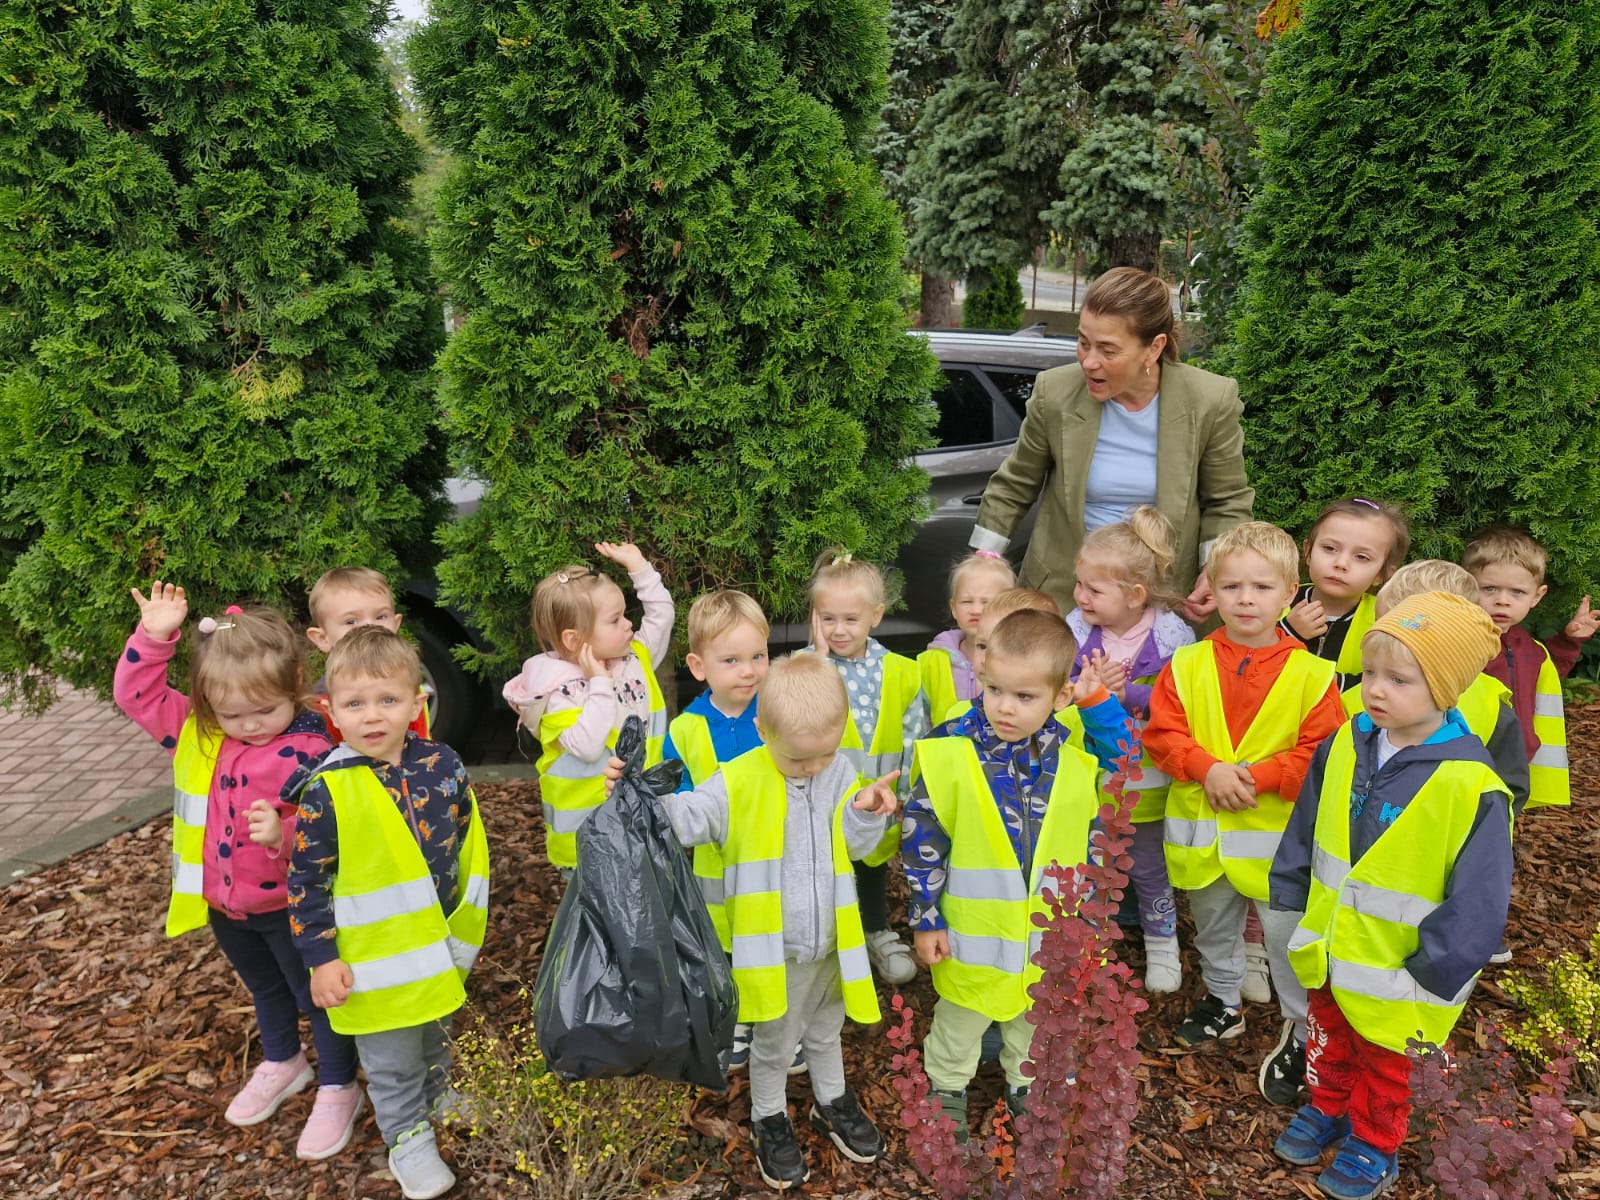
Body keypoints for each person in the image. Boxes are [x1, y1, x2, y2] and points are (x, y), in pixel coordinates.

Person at [608, 653, 901, 1191]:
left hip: (833, 942)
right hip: (775, 950)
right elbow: (690, 817)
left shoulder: (839, 771)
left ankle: (831, 1100)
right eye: (800, 759)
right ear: (764, 731)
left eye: (826, 753)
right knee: (774, 1042)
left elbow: (856, 847)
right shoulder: (738, 780)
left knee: (826, 1030)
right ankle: (769, 1116)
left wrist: (863, 810)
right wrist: (638, 799)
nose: (814, 767)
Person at [1269, 593, 1511, 1200]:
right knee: (1329, 1033)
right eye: (1371, 672)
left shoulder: (1471, 784)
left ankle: (1375, 1143)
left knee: (1389, 1060)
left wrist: (1438, 967)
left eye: (1399, 680)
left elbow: (1480, 895)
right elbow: (1308, 821)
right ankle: (1329, 1107)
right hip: (1331, 943)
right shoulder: (1347, 742)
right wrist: (1291, 884)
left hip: (1405, 966)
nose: (1375, 690)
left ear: (1446, 688)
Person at [112, 583, 361, 1161]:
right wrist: (154, 637)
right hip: (226, 905)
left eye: (265, 710)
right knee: (264, 987)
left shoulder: (314, 748)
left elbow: (341, 828)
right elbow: (135, 695)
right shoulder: (201, 736)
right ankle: (284, 1060)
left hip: (294, 908)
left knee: (318, 998)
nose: (249, 725)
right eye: (231, 714)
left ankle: (338, 1085)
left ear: (293, 683)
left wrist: (286, 835)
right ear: (207, 705)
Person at [1145, 522, 1346, 1108]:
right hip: (1204, 837)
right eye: (1232, 586)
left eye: (1262, 587)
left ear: (1290, 594)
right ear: (1212, 590)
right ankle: (1223, 1001)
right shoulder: (1186, 663)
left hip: (1279, 845)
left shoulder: (1314, 675)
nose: (1246, 599)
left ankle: (1301, 1029)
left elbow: (1321, 752)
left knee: (1286, 939)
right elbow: (1163, 734)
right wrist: (1205, 768)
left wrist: (1256, 777)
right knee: (1213, 925)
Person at [286, 627, 491, 1200]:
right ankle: (407, 1140)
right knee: (392, 1060)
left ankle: (438, 1096)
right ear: (331, 711)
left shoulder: (443, 764)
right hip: (371, 961)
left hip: (436, 945)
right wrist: (321, 957)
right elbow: (306, 882)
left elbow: (465, 838)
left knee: (435, 1033)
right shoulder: (328, 789)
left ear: (417, 701)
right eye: (355, 704)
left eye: (388, 699)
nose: (373, 715)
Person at [902, 610, 1105, 1139]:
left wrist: (1086, 921)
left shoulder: (1074, 762)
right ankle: (946, 1087)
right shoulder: (951, 752)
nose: (1005, 707)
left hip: (1045, 934)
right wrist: (926, 918)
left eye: (1024, 696)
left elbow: (1088, 846)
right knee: (961, 1017)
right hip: (973, 932)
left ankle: (1026, 1087)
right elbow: (922, 841)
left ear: (1061, 696)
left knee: (1035, 1018)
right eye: (994, 689)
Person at [967, 266, 1254, 620]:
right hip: (1063, 597)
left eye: (1108, 350)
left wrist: (1215, 570)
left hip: (1163, 602)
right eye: (1083, 342)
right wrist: (985, 560)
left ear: (1154, 348)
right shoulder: (1054, 393)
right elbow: (1014, 486)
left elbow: (1227, 500)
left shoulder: (1209, 400)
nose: (1089, 361)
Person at [1067, 506, 1194, 993]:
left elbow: (1180, 701)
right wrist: (1084, 685)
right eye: (1079, 585)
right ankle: (1093, 943)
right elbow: (1056, 689)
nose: (1080, 597)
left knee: (1147, 864)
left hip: (1148, 775)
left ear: (1135, 595)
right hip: (1091, 775)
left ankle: (1162, 943)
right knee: (1093, 858)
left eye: (1093, 590)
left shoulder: (1172, 637)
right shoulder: (1076, 631)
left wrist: (1126, 695)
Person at [502, 541, 674, 873]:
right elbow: (588, 746)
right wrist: (600, 683)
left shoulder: (635, 659)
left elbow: (662, 616)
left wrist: (639, 567)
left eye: (624, 615)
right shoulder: (556, 692)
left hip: (639, 830)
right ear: (574, 639)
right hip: (588, 847)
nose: (628, 624)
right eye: (615, 620)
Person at [660, 589, 775, 1072]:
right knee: (727, 946)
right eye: (731, 660)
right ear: (698, 666)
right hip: (716, 870)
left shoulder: (777, 713)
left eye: (758, 657)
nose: (749, 671)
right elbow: (677, 799)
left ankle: (777, 1024)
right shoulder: (685, 730)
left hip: (774, 860)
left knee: (772, 941)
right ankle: (740, 1019)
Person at [808, 550, 929, 986]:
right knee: (824, 869)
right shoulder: (808, 666)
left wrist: (907, 793)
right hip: (822, 799)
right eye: (828, 619)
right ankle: (828, 942)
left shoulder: (902, 671)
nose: (838, 630)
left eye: (850, 619)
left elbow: (915, 736)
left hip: (881, 798)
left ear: (876, 615)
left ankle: (875, 930)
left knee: (871, 867)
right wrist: (818, 658)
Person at [1462, 527, 1595, 811]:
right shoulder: (1459, 640)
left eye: (1517, 592)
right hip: (1466, 755)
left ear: (1537, 596)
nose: (1502, 600)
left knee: (1501, 820)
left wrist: (1570, 641)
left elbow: (1545, 677)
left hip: (1517, 759)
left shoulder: (1530, 649)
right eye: (1489, 588)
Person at [1280, 499, 1411, 692]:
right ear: (1308, 552)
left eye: (1362, 557)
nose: (1341, 563)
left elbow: (1397, 683)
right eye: (1330, 548)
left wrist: (1331, 683)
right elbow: (1241, 660)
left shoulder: (1386, 622)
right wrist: (1287, 632)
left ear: (1382, 574)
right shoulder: (1274, 601)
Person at [304, 566, 430, 741]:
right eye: (351, 621)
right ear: (322, 638)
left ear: (396, 624)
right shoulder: (318, 705)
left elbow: (424, 742)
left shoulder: (409, 687)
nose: (370, 627)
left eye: (380, 617)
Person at [919, 553, 1016, 723]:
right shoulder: (933, 661)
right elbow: (921, 717)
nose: (976, 610)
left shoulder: (1018, 659)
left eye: (987, 602)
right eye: (966, 602)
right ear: (953, 608)